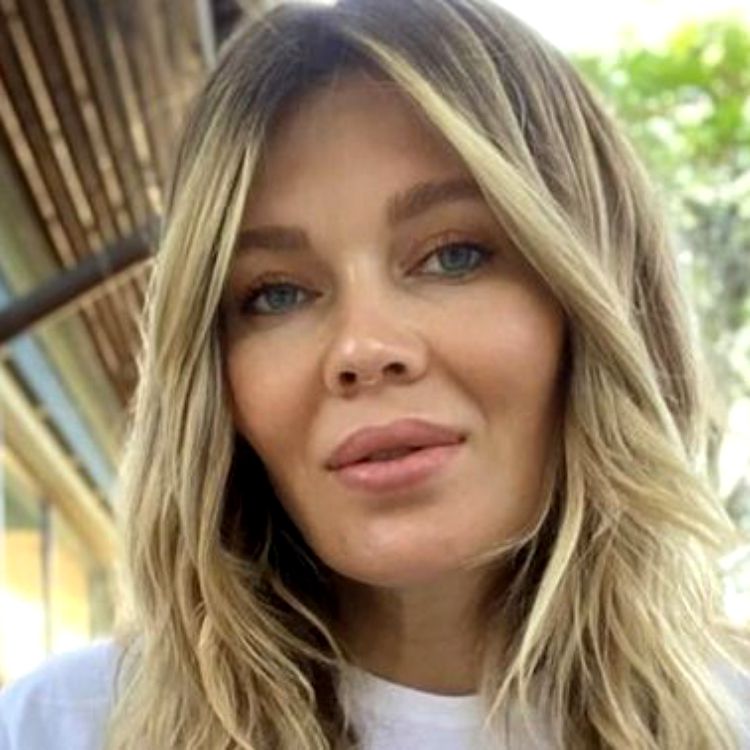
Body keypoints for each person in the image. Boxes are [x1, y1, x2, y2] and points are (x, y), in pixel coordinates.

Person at [1, 0, 749, 748]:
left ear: (596, 300)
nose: (362, 347)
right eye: (277, 294)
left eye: (453, 255)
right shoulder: (63, 727)